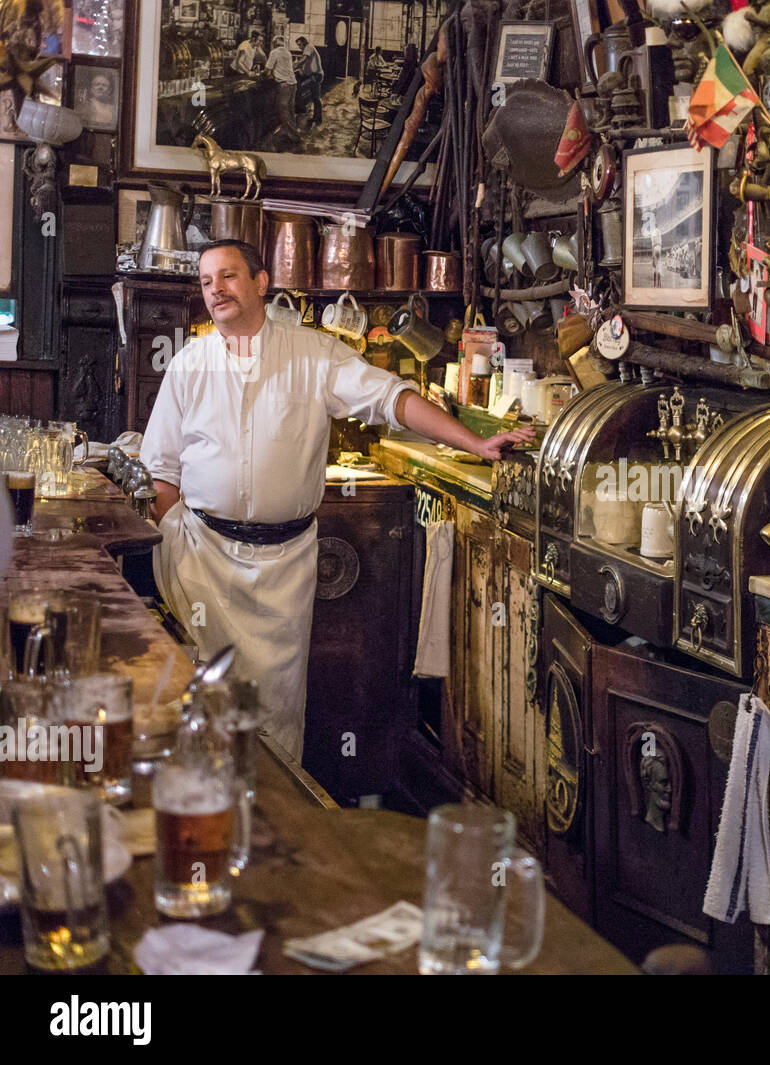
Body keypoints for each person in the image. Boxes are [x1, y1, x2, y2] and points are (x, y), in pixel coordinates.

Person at [140, 240, 533, 759]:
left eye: (229, 276)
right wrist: (174, 538)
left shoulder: (313, 354)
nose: (216, 290)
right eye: (207, 281)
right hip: (201, 563)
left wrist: (473, 441)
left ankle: (270, 830)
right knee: (201, 710)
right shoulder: (188, 364)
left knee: (274, 715)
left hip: (283, 570)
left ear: (261, 283)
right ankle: (204, 826)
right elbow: (160, 470)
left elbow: (394, 400)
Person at [264, 34, 301, 146]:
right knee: (290, 110)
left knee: (283, 112)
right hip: (293, 84)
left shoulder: (274, 52)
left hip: (284, 85)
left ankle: (294, 137)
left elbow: (267, 70)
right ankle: (290, 133)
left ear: (274, 44)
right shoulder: (287, 52)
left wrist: (265, 74)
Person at [294, 34, 323, 127]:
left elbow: (303, 60)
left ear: (303, 42)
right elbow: (305, 68)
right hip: (314, 75)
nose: (299, 47)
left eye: (299, 44)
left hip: (316, 75)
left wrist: (295, 65)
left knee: (316, 98)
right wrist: (299, 69)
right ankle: (316, 117)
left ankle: (318, 119)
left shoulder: (309, 47)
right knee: (315, 97)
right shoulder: (307, 50)